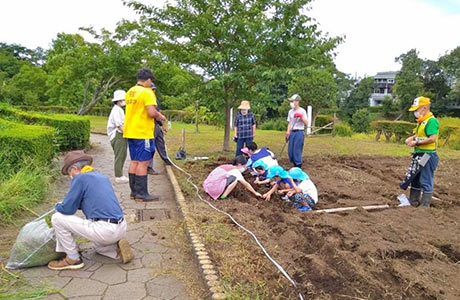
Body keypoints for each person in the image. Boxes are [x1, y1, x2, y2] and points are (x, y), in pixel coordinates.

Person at [48, 151, 133, 270]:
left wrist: (57, 205)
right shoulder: (102, 177)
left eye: (69, 172)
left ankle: (72, 259)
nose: (70, 176)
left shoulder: (80, 178)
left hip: (105, 230)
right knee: (99, 248)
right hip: (121, 226)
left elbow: (67, 210)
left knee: (57, 218)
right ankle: (115, 250)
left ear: (74, 168)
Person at [124, 68, 166, 202]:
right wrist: (160, 116)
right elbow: (151, 112)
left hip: (130, 131)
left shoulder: (130, 92)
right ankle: (142, 194)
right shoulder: (147, 92)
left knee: (134, 161)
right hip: (143, 132)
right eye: (150, 80)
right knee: (143, 162)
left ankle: (134, 192)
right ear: (148, 80)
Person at [404, 96, 439, 207]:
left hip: (427, 155)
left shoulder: (431, 121)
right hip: (419, 154)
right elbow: (420, 134)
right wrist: (412, 138)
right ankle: (413, 201)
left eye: (417, 109)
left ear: (424, 108)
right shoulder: (422, 121)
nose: (415, 112)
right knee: (416, 177)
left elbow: (432, 138)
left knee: (426, 178)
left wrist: (416, 142)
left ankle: (425, 205)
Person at [147, 83, 171, 175]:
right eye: (151, 89)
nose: (153, 91)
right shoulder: (147, 100)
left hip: (157, 125)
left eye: (154, 89)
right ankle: (149, 166)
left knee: (161, 143)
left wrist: (162, 125)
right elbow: (153, 113)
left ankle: (166, 159)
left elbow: (158, 112)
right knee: (151, 147)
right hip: (149, 126)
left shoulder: (156, 100)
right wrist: (159, 116)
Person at [107, 90, 129, 183]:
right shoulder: (116, 110)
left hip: (120, 135)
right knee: (120, 155)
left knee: (122, 154)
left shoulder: (119, 109)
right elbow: (119, 125)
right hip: (118, 135)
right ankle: (118, 176)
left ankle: (120, 174)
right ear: (119, 100)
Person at [286, 94, 308, 168]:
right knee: (290, 152)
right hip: (292, 132)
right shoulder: (290, 112)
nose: (291, 103)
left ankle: (298, 166)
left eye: (293, 101)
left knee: (297, 151)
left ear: (297, 101)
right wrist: (288, 132)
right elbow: (290, 123)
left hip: (299, 132)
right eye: (291, 101)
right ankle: (294, 164)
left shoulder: (302, 111)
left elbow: (307, 123)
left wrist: (301, 117)